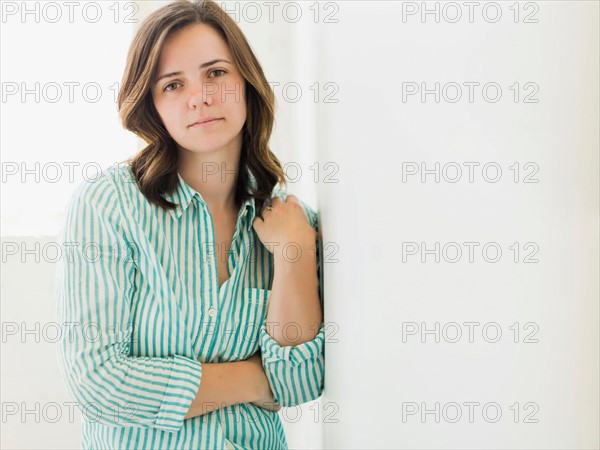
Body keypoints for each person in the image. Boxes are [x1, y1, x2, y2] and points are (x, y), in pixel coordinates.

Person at [55, 1, 325, 448]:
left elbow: (304, 380)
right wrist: (260, 380)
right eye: (173, 85)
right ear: (152, 105)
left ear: (246, 80)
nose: (199, 97)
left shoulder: (292, 224)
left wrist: (294, 254)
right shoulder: (108, 206)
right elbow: (99, 384)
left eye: (216, 73)